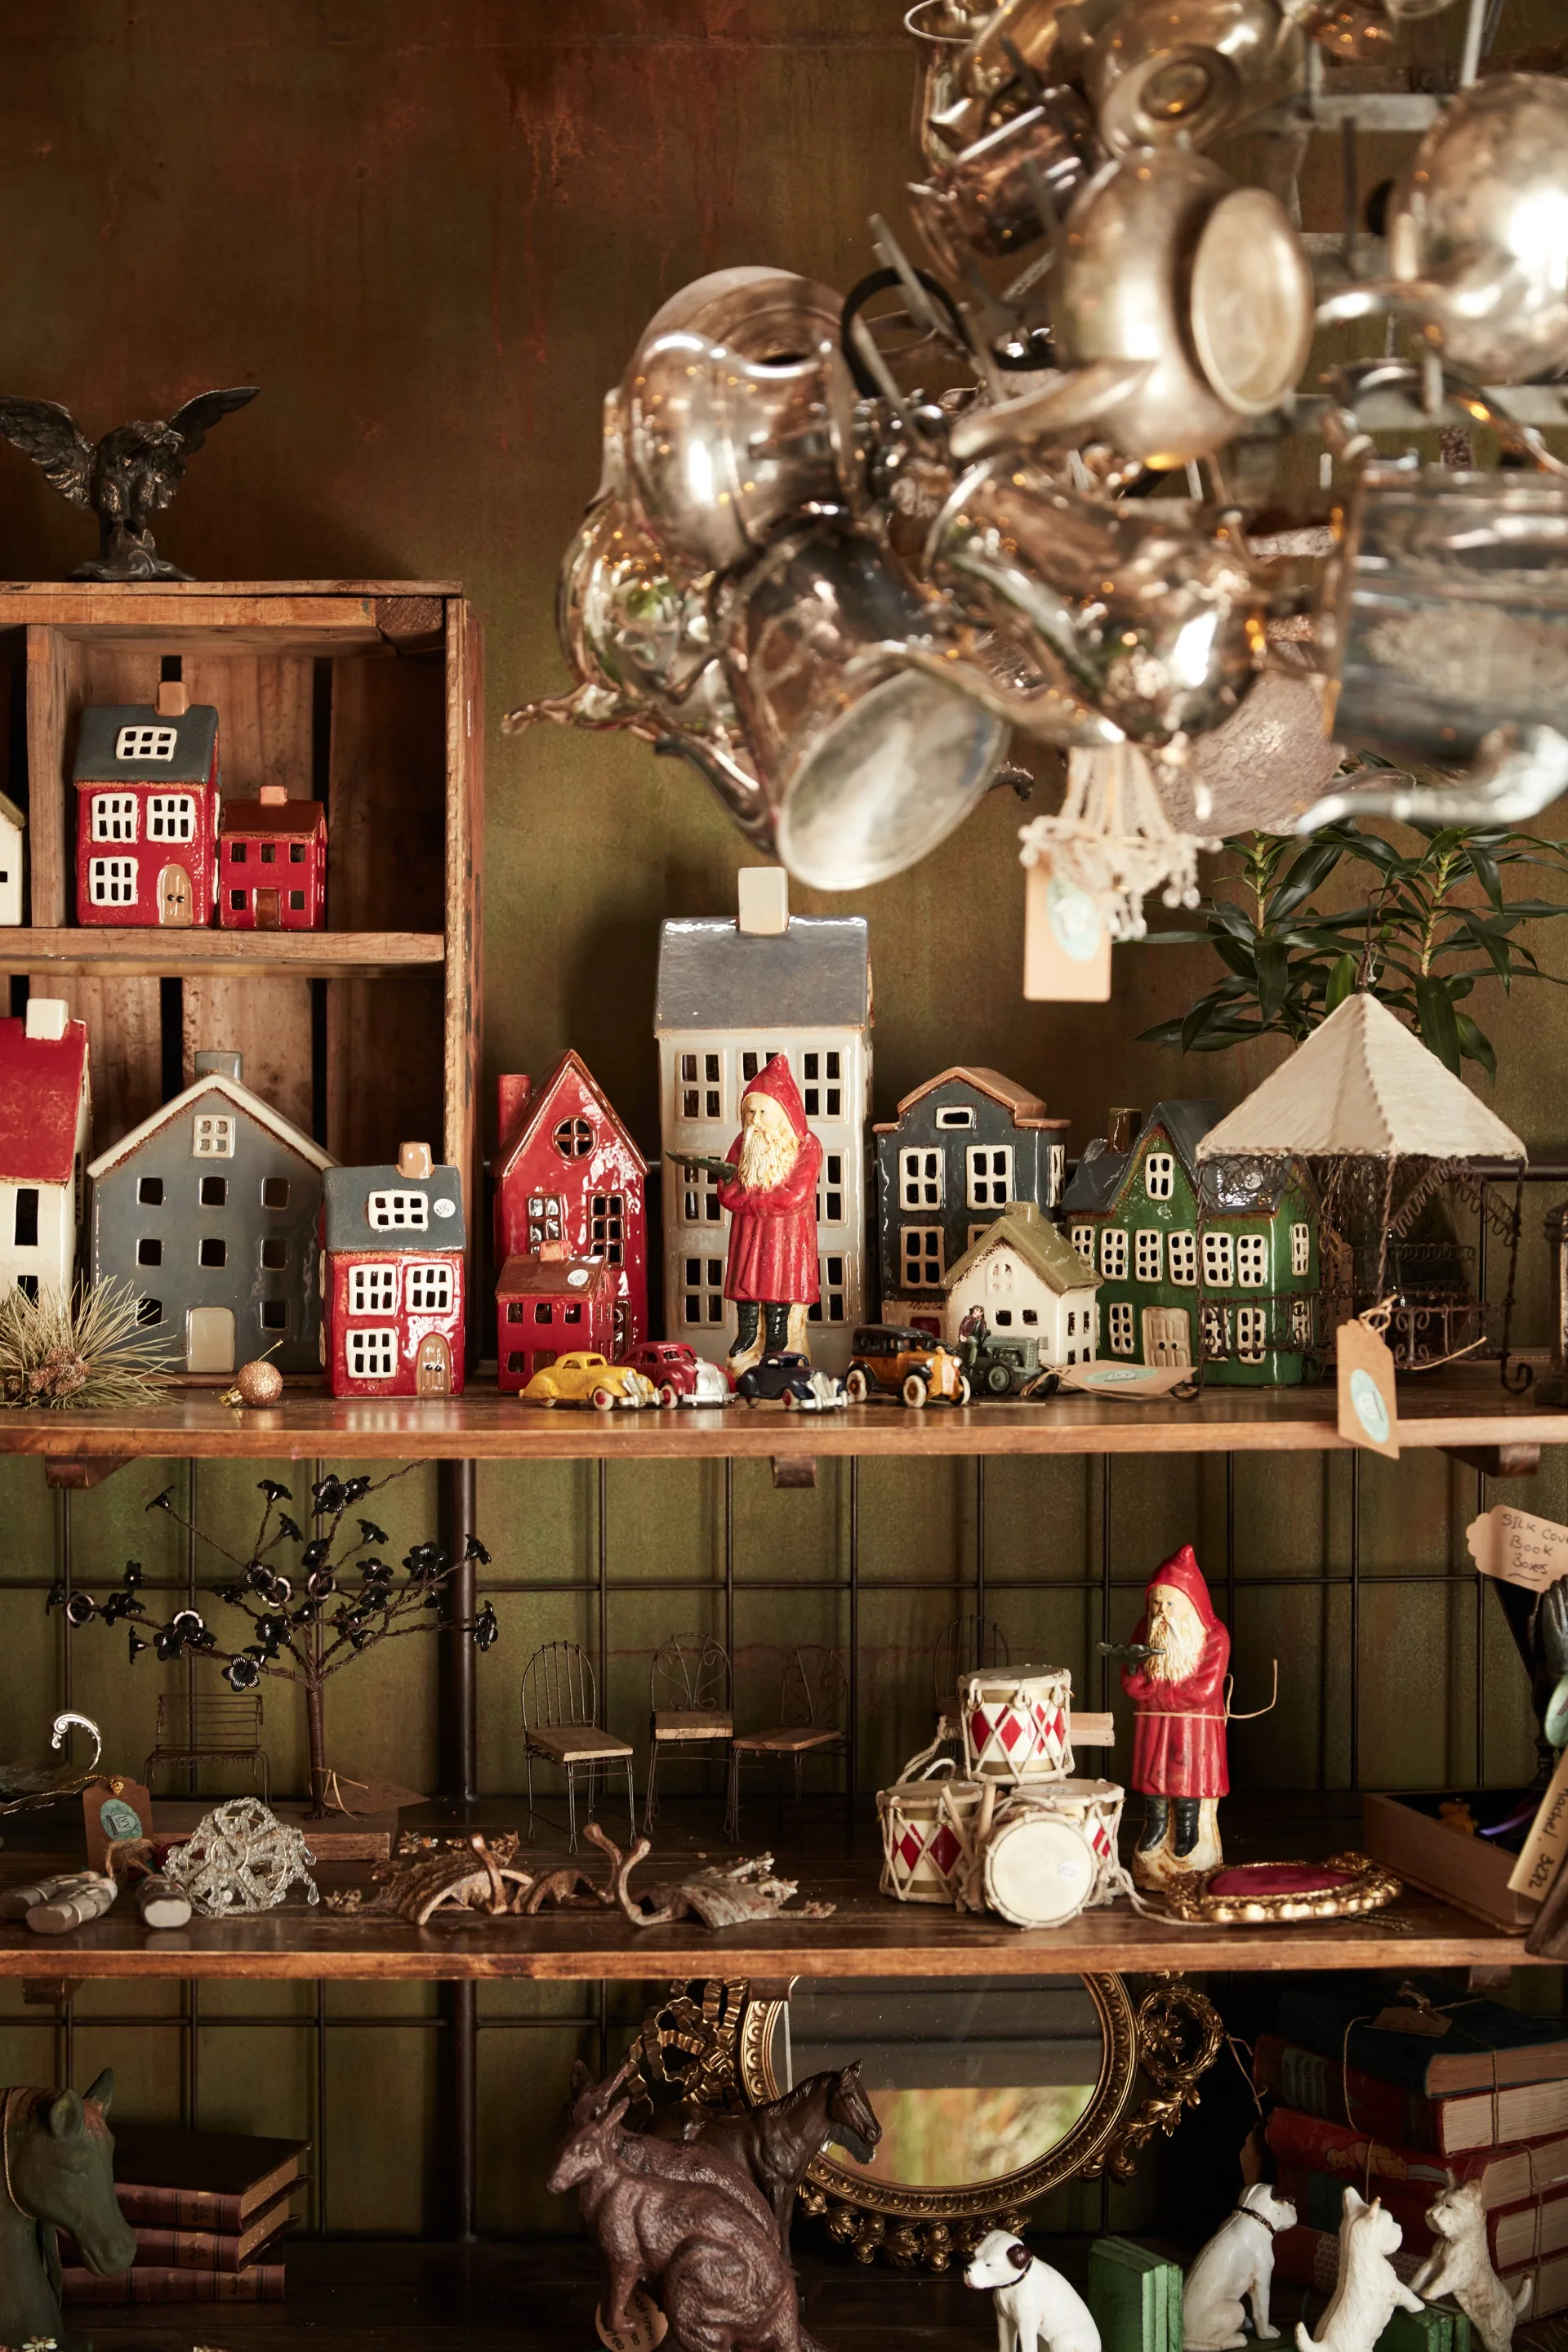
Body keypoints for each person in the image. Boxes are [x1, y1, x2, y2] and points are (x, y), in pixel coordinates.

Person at [1120, 1543, 1229, 1884]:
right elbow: (1131, 1681)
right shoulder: (1145, 1630)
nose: (1162, 1612)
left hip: (1195, 1728)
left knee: (1189, 1773)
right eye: (1157, 1603)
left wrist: (1157, 1693)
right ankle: (1156, 1824)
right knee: (1154, 1773)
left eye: (1170, 1604)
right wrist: (1146, 1684)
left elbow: (1203, 1691)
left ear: (1191, 1602)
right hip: (1155, 1725)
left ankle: (1187, 1829)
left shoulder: (1215, 1637)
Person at [715, 1054, 822, 1370]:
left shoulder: (806, 1146)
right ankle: (748, 1334)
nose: (756, 1120)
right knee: (745, 1282)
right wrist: (748, 1198)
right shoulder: (743, 1142)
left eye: (764, 1112)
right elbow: (726, 1189)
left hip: (785, 1234)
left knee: (780, 1282)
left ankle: (778, 1338)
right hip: (748, 1231)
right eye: (751, 1112)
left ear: (785, 1112)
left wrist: (754, 1201)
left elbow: (795, 1195)